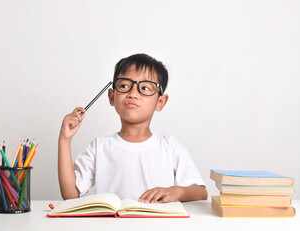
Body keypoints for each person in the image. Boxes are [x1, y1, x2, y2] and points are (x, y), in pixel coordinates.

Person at [58, 53, 208, 203]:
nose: (133, 94)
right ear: (111, 96)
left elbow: (201, 193)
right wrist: (65, 140)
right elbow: (70, 194)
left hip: (159, 226)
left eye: (145, 88)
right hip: (111, 225)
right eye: (124, 86)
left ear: (160, 102)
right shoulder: (99, 147)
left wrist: (177, 192)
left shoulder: (170, 147)